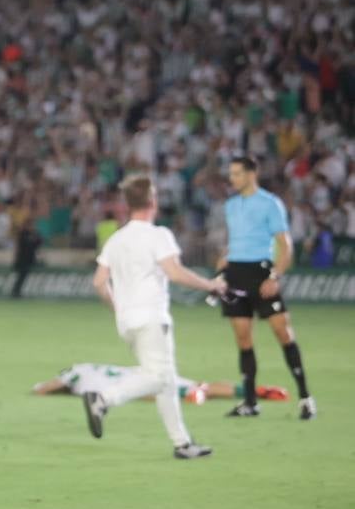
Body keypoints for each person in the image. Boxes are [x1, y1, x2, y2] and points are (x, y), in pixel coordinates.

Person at [82, 176, 226, 459]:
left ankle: (182, 443)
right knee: (158, 376)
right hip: (151, 317)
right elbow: (174, 272)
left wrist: (117, 308)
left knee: (166, 381)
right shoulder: (158, 235)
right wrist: (211, 285)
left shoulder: (117, 238)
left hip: (127, 321)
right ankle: (103, 399)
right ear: (153, 201)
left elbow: (99, 282)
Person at [218, 155, 316, 420]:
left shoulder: (270, 204)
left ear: (252, 174)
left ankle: (306, 398)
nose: (232, 179)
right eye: (231, 174)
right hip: (235, 274)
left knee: (283, 334)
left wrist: (275, 277)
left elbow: (286, 245)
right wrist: (223, 263)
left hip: (260, 273)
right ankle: (250, 403)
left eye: (237, 173)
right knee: (243, 339)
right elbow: (235, 240)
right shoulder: (230, 205)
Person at [31, 363, 288, 405]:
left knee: (139, 392)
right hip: (142, 369)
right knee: (204, 385)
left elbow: (44, 389)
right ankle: (257, 390)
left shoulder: (79, 378)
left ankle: (186, 397)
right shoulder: (90, 367)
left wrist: (40, 390)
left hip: (133, 381)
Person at [11, 219, 41, 298]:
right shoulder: (23, 234)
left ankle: (17, 291)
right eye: (31, 226)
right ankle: (16, 292)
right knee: (21, 276)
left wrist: (34, 236)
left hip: (30, 259)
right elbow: (26, 245)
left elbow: (39, 242)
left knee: (23, 276)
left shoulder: (34, 234)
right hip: (22, 259)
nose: (33, 227)